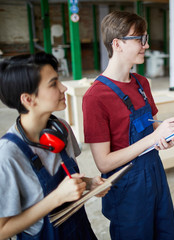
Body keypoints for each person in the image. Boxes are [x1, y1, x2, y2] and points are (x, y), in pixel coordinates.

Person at [82, 11, 174, 239]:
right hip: (127, 186)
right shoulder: (95, 97)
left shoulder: (141, 83)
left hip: (155, 175)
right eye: (140, 39)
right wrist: (151, 139)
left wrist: (168, 136)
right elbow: (104, 163)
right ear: (117, 44)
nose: (145, 46)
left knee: (165, 233)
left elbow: (152, 127)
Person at [0, 52, 109, 239]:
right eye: (53, 84)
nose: (64, 87)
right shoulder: (8, 156)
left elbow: (67, 181)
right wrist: (57, 197)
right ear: (28, 99)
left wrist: (89, 183)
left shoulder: (62, 129)